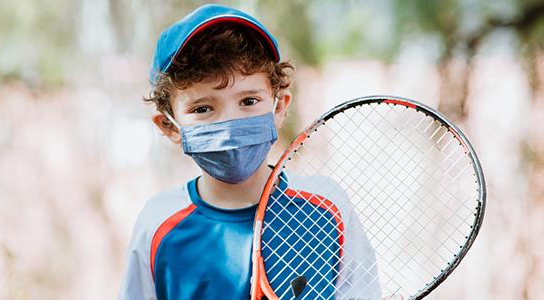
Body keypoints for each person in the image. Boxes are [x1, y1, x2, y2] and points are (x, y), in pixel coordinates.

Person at [118, 4, 384, 300]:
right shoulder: (157, 226)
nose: (230, 124)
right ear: (169, 127)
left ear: (279, 106)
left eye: (248, 101)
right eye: (203, 108)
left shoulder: (329, 207)